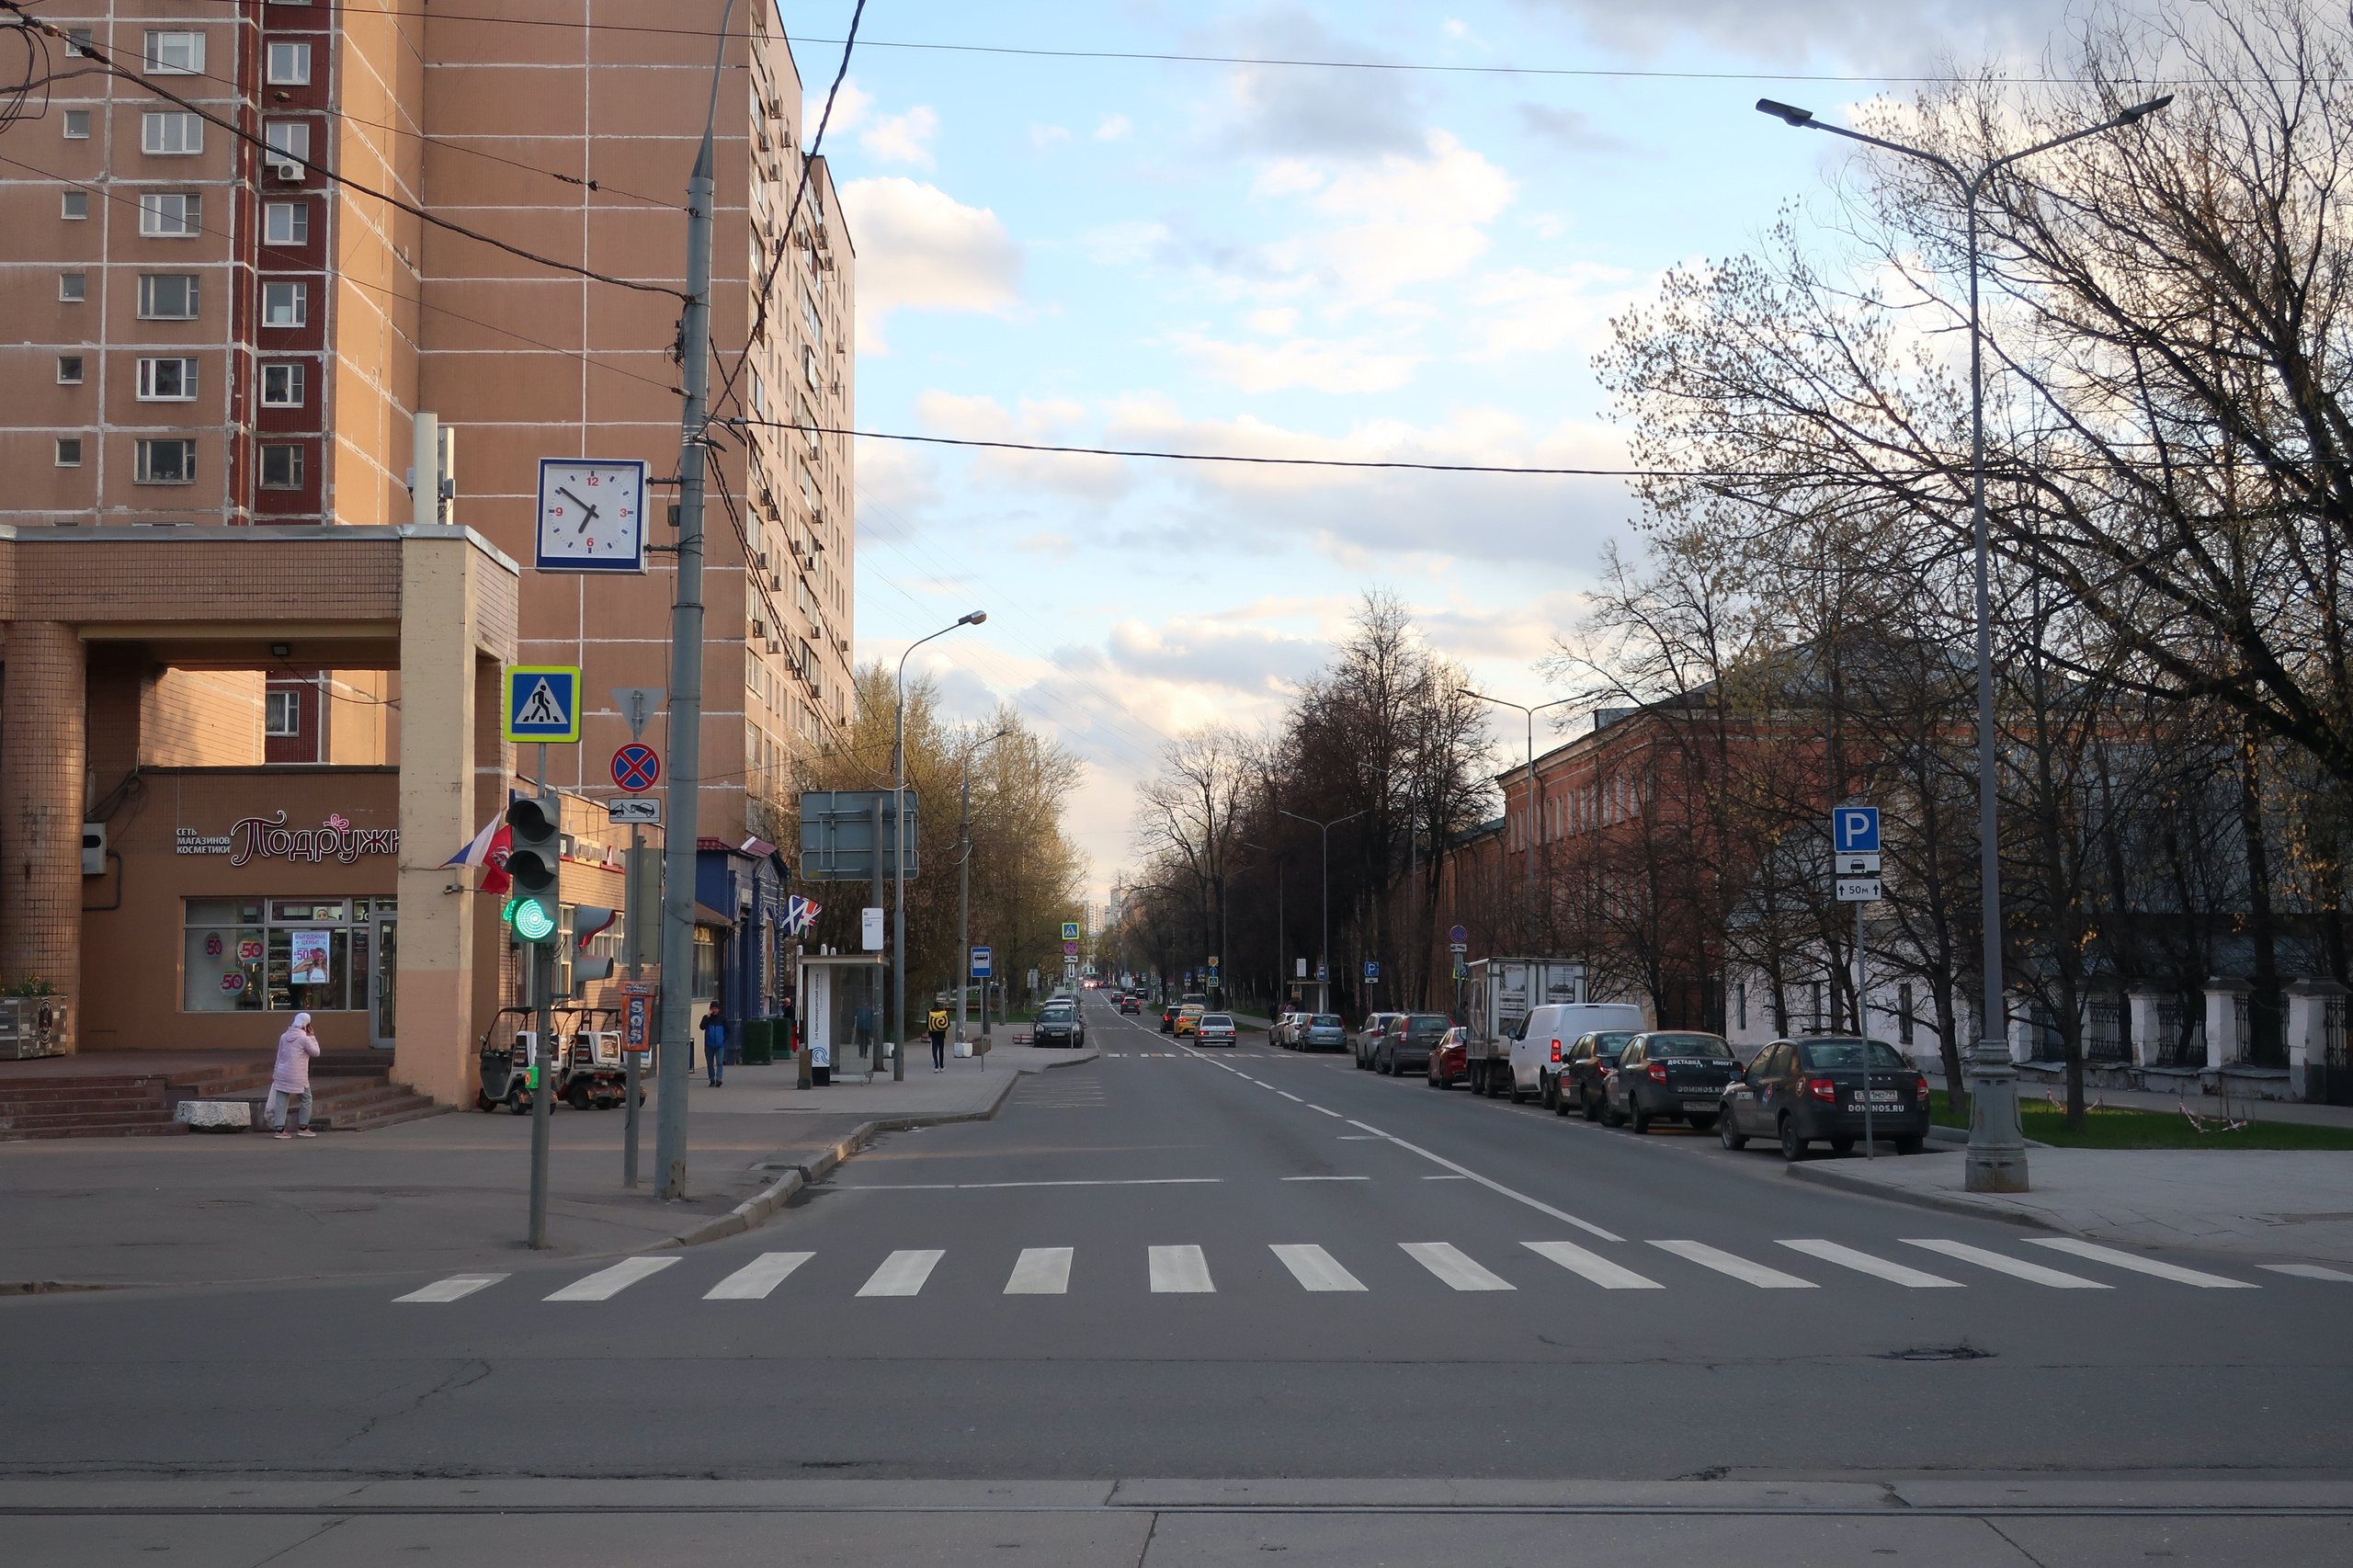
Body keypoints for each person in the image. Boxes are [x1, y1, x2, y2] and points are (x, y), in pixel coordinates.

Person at [269, 1011, 321, 1140]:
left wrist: (275, 1073)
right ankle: (303, 1127)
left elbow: (279, 1056)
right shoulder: (304, 1039)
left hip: (282, 1072)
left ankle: (279, 1129)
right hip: (298, 1075)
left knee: (281, 1100)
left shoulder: (284, 1036)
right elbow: (316, 1052)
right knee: (306, 1099)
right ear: (306, 1024)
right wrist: (312, 1036)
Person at [701, 1005, 726, 1087]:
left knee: (719, 1062)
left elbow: (728, 1030)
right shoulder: (707, 1018)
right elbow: (702, 1027)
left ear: (718, 1009)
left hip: (720, 1045)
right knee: (710, 1063)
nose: (714, 1010)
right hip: (709, 1044)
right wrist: (707, 1017)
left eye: (715, 1008)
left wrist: (723, 1039)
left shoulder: (722, 1019)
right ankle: (712, 1080)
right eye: (712, 1009)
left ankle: (718, 1079)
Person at [927, 1001, 950, 1072]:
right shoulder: (943, 1013)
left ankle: (936, 1067)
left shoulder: (930, 1013)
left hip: (933, 1034)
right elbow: (948, 1024)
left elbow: (927, 1024)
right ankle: (942, 1066)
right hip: (941, 1034)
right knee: (941, 1050)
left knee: (934, 1050)